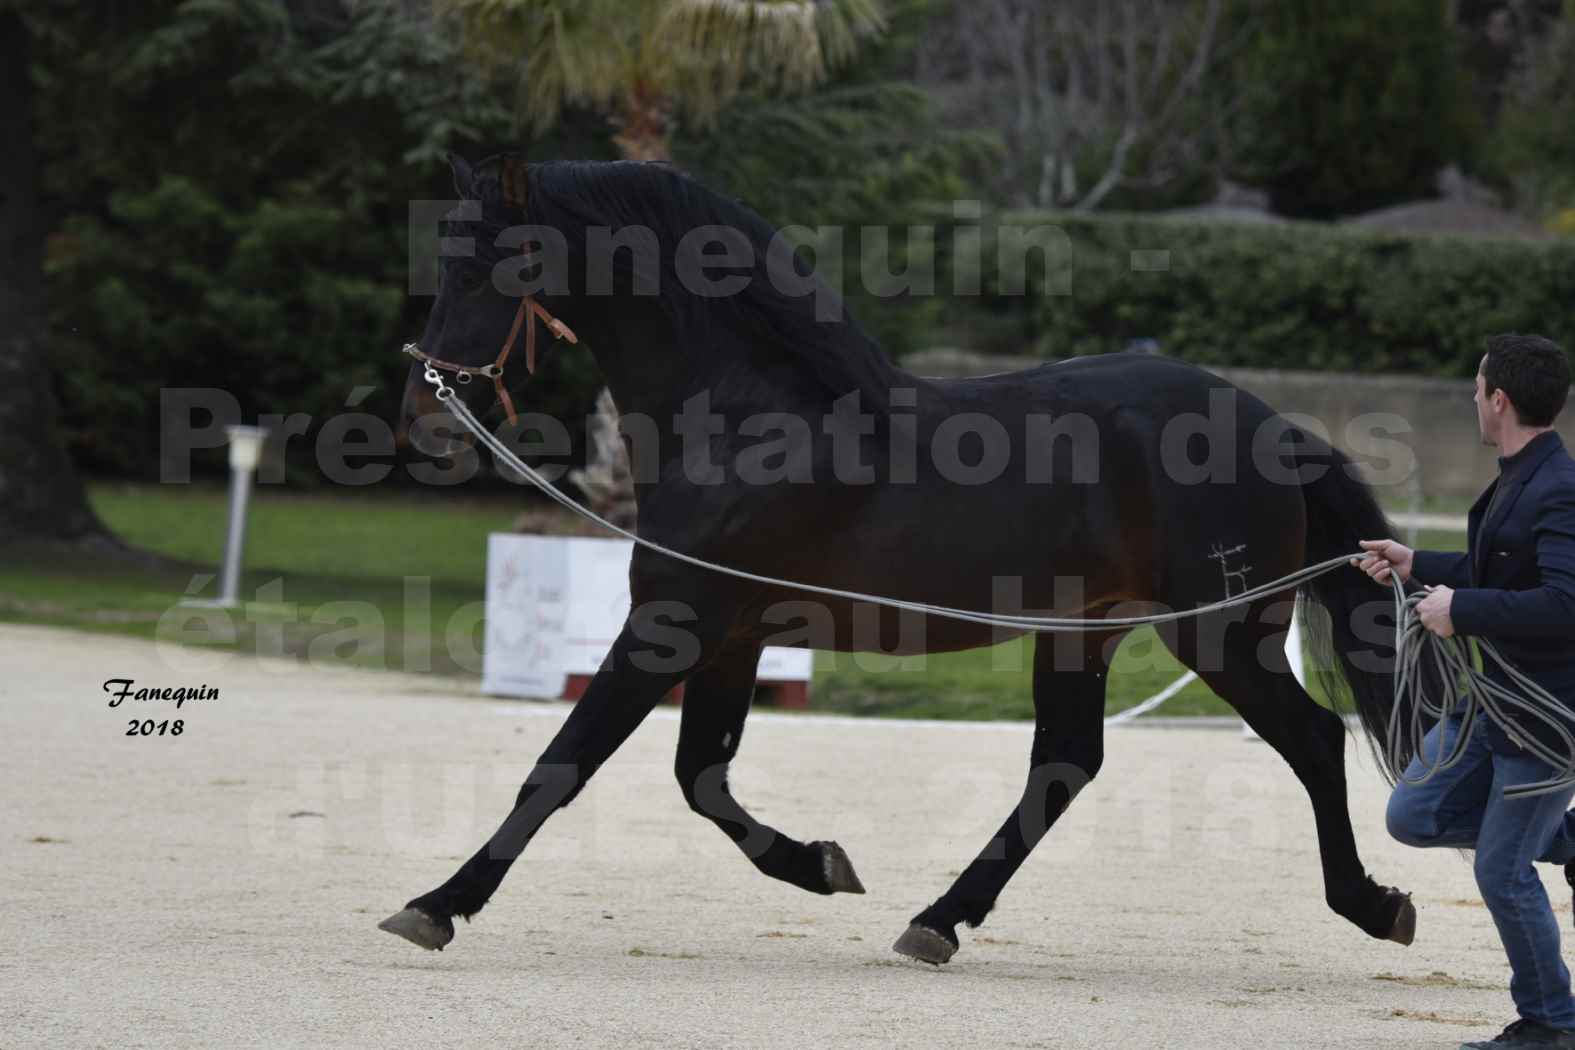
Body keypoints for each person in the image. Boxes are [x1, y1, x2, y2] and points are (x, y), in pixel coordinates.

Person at [1357, 333, 1575, 1049]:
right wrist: (1417, 563)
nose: (1472, 400)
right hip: (1491, 701)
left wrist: (1460, 610)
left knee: (1501, 870)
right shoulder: (1521, 474)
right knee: (1414, 814)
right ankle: (1565, 838)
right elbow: (1500, 566)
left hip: (1544, 716)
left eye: (1476, 389)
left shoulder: (1556, 487)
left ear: (1499, 400)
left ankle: (1549, 1023)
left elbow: (1565, 603)